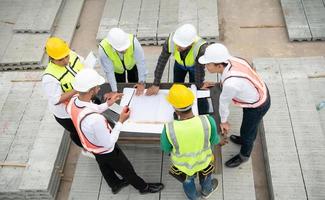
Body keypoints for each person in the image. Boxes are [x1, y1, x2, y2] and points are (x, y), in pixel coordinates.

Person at [66, 68, 164, 195]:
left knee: (104, 166)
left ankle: (115, 184)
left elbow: (89, 108)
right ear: (90, 91)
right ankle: (143, 188)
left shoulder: (73, 101)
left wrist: (108, 104)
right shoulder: (95, 120)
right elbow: (109, 143)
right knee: (126, 169)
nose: (99, 89)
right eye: (97, 87)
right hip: (106, 150)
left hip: (92, 146)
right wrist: (121, 121)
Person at [198, 43, 271, 168]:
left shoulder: (231, 84)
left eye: (208, 64)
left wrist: (224, 122)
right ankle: (243, 139)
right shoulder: (232, 59)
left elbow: (224, 102)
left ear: (219, 65)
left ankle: (244, 155)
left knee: (249, 132)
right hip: (259, 91)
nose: (205, 66)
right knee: (247, 127)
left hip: (258, 105)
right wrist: (221, 84)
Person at [161, 84, 220, 199]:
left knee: (188, 182)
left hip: (184, 166)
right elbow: (214, 140)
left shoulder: (169, 128)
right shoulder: (208, 121)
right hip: (204, 160)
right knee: (206, 176)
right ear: (193, 102)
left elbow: (166, 148)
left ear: (174, 108)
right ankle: (206, 191)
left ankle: (193, 197)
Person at [145, 24, 210, 114]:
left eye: (181, 46)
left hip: (194, 67)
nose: (177, 47)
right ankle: (178, 109)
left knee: (196, 89)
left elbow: (200, 69)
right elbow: (162, 62)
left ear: (191, 43)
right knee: (177, 86)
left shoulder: (201, 48)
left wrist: (199, 84)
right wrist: (156, 83)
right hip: (179, 64)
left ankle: (203, 112)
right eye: (177, 44)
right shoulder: (171, 41)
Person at [42, 37, 84, 148]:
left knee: (85, 128)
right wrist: (77, 88)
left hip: (78, 104)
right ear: (51, 59)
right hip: (66, 115)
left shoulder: (72, 55)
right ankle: (86, 148)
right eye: (60, 59)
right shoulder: (49, 77)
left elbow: (83, 65)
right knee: (77, 132)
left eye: (66, 56)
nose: (65, 61)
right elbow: (56, 100)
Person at [98, 27, 147, 96]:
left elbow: (141, 62)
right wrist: (114, 91)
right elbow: (109, 71)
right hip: (117, 70)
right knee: (120, 86)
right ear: (112, 45)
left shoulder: (133, 41)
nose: (124, 50)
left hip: (132, 66)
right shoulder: (103, 49)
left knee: (134, 83)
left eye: (125, 47)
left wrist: (142, 82)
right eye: (121, 49)